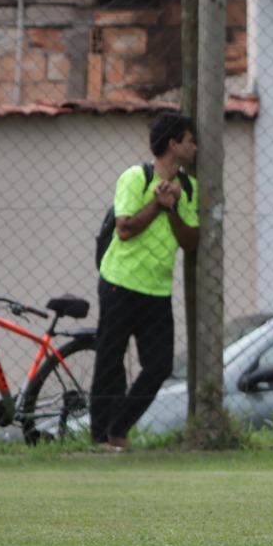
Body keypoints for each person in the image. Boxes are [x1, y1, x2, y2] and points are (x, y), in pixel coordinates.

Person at [90, 111, 200, 449]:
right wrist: (156, 205)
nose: (196, 148)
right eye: (190, 141)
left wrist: (172, 208)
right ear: (173, 144)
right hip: (120, 283)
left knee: (159, 365)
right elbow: (124, 229)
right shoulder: (135, 178)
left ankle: (118, 427)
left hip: (157, 289)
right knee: (110, 359)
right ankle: (101, 437)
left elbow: (190, 241)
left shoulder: (189, 188)